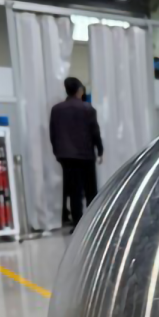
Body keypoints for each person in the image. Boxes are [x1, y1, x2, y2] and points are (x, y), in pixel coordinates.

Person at [49, 77, 103, 227]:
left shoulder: (56, 110)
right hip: (85, 155)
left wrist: (58, 153)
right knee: (90, 190)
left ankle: (77, 224)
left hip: (66, 157)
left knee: (74, 193)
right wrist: (100, 150)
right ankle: (92, 223)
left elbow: (53, 134)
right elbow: (95, 132)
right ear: (80, 90)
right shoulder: (88, 108)